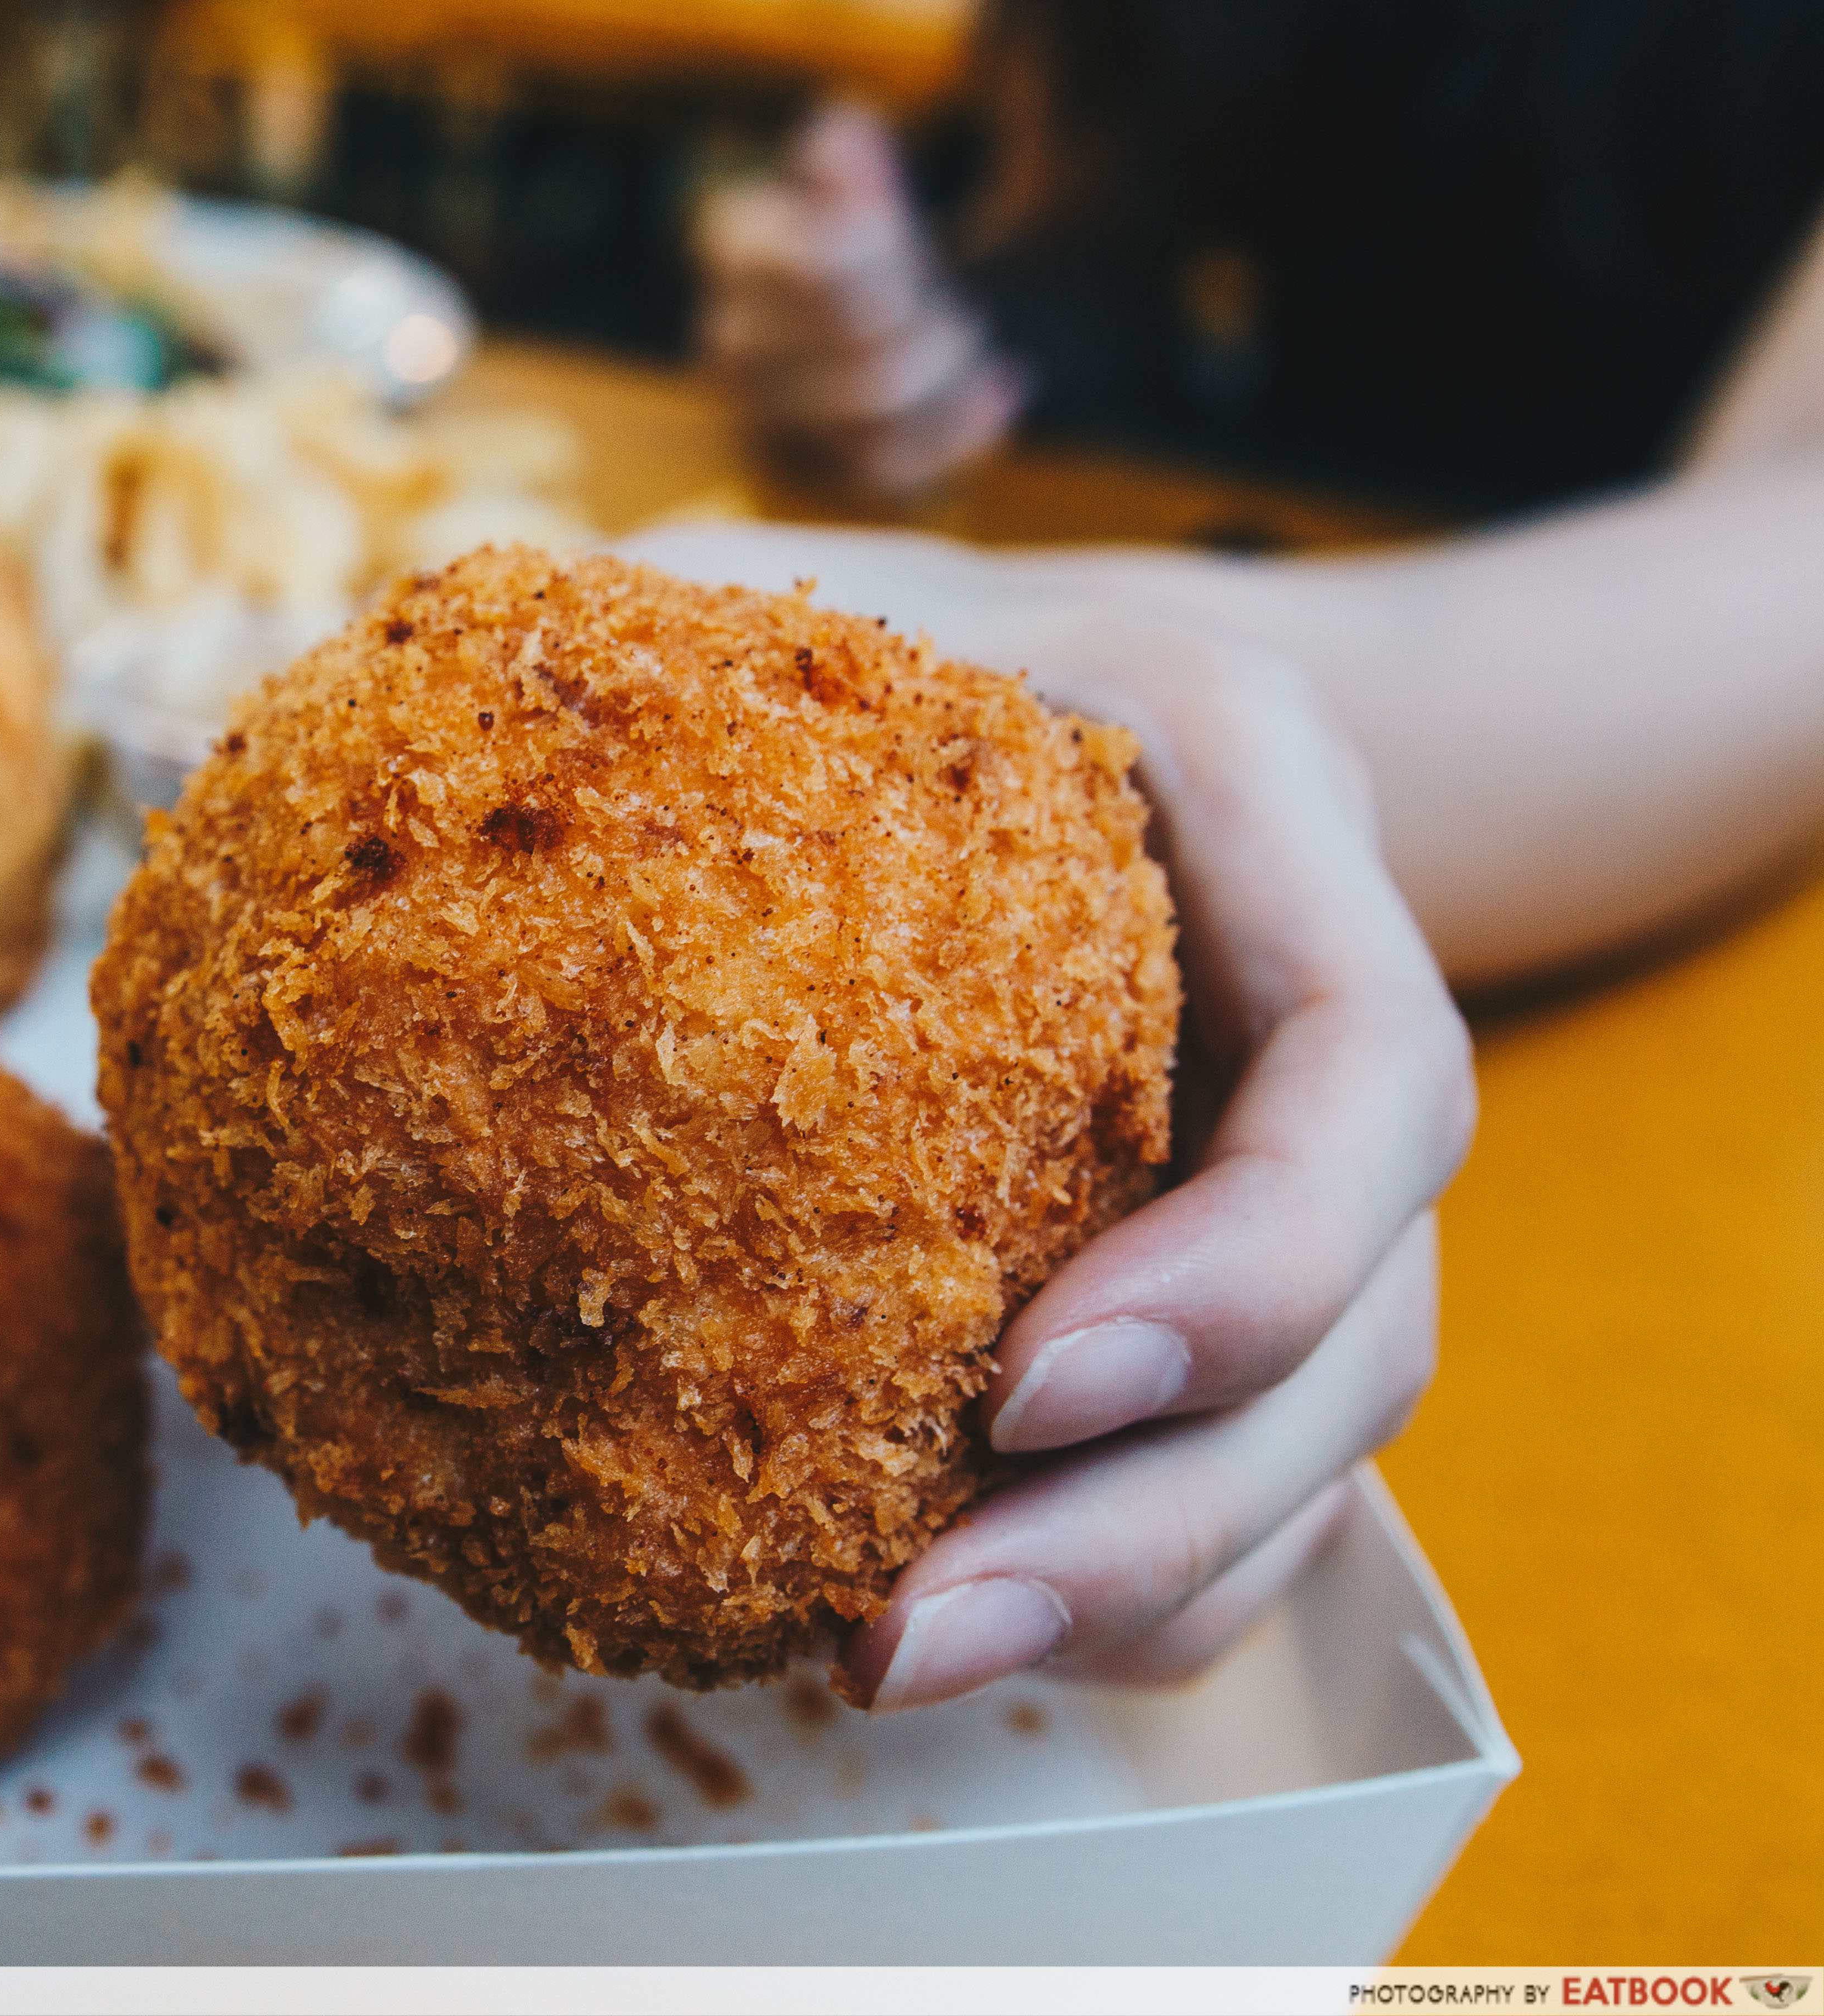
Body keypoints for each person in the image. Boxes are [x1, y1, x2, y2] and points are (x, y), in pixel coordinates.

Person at [680, 0, 1824, 1708]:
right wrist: (902, 330)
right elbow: (1103, 243)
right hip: (1150, 711)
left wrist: (1042, 679)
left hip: (1655, 995)